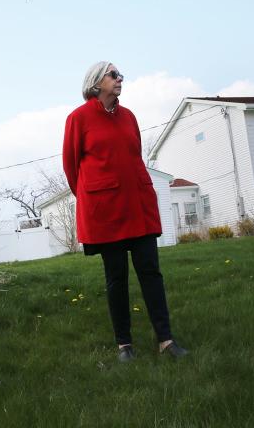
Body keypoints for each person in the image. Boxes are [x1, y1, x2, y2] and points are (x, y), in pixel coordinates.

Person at [62, 61, 188, 363]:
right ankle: (124, 346)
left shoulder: (129, 117)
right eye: (113, 75)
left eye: (120, 75)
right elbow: (71, 166)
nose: (120, 79)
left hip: (138, 206)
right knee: (116, 278)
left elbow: (134, 157)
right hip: (107, 212)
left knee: (151, 273)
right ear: (96, 82)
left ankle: (166, 340)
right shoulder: (78, 119)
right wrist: (93, 198)